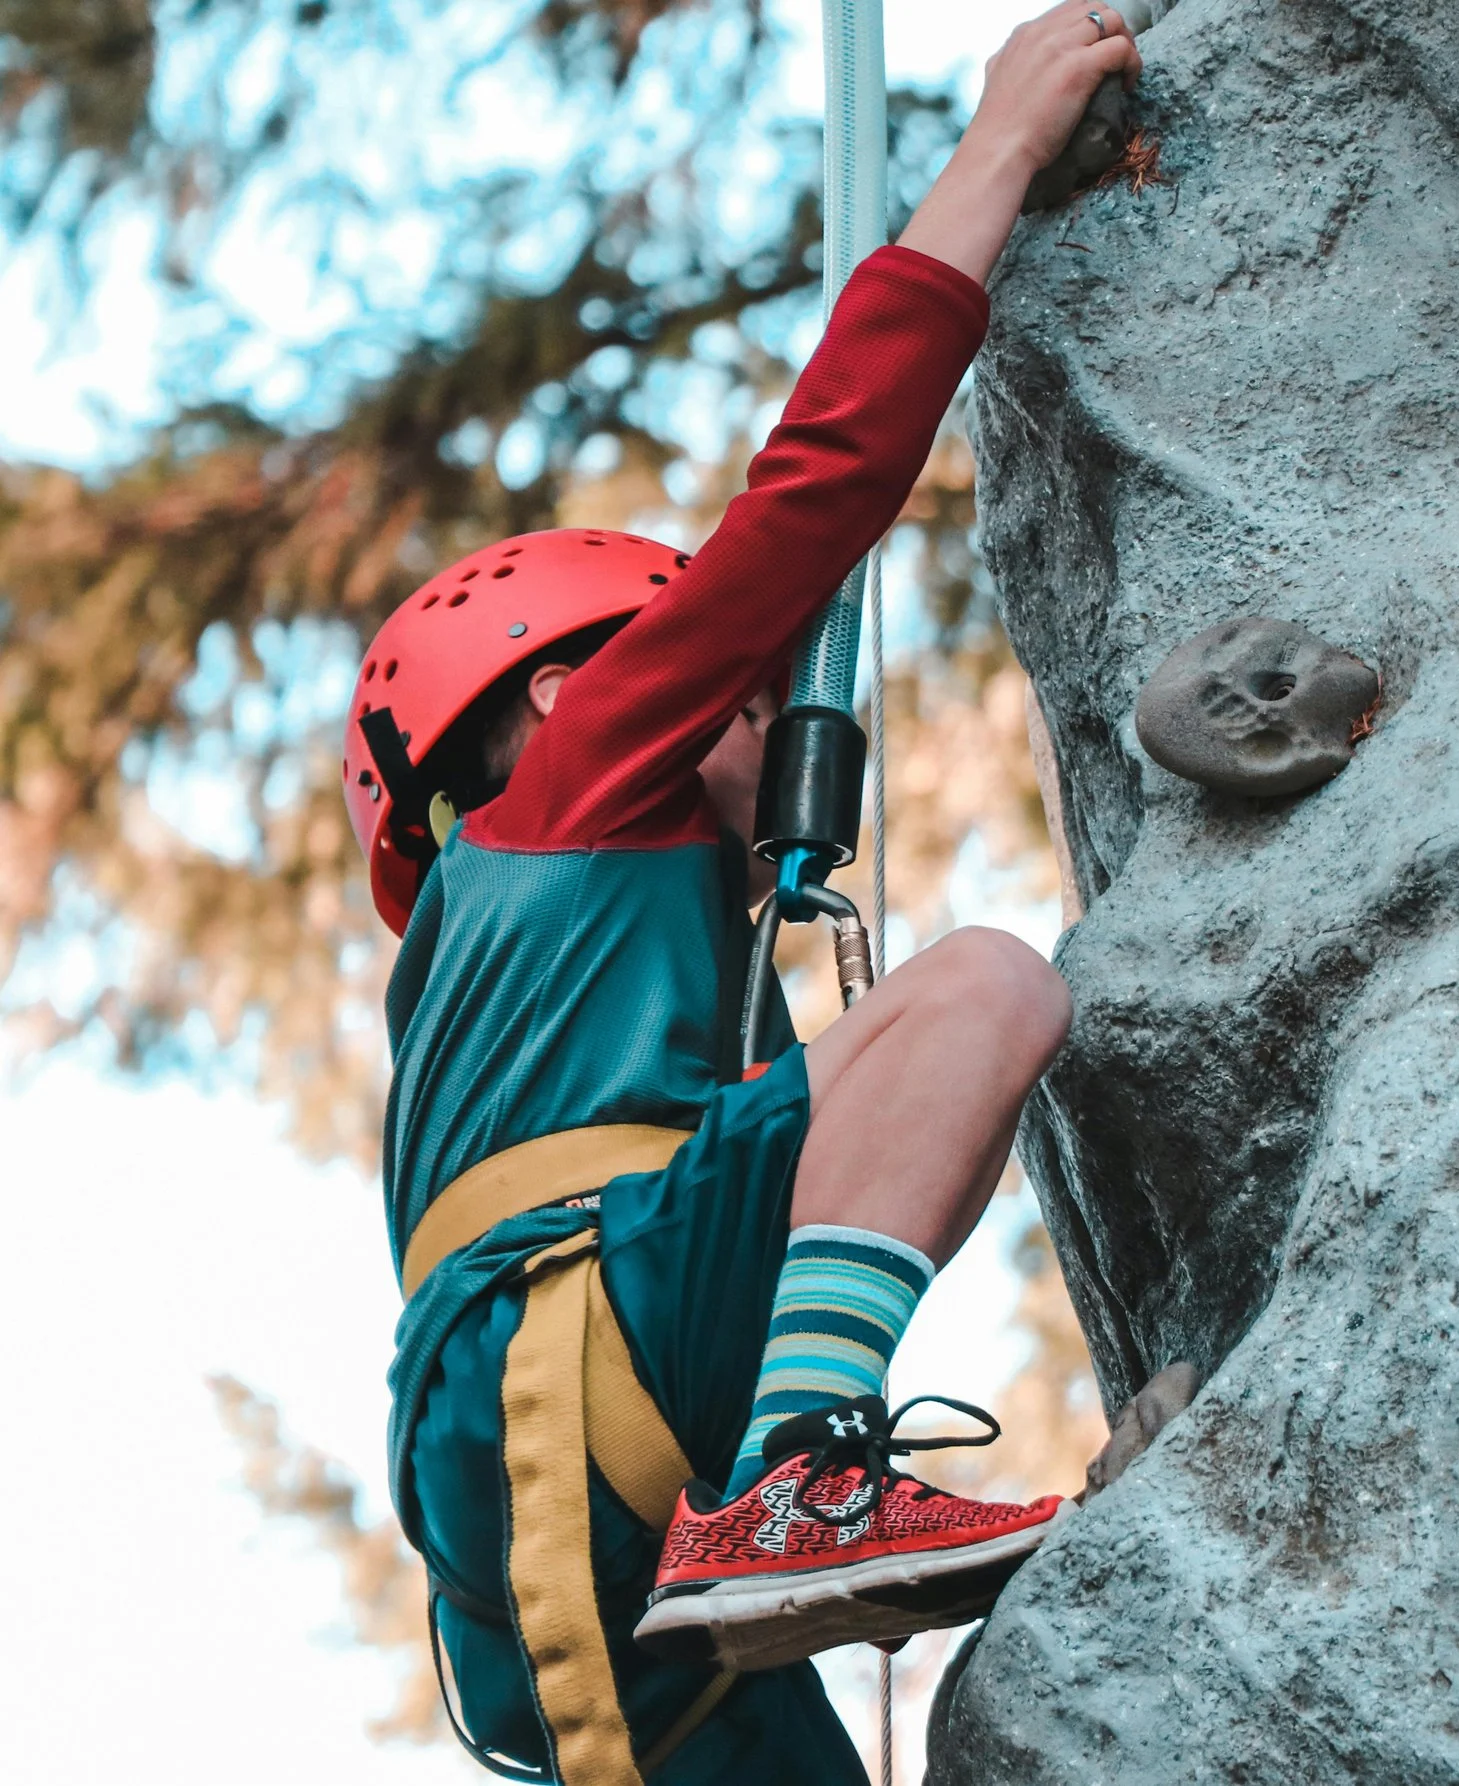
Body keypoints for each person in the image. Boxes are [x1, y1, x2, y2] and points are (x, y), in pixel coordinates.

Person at [340, 7, 1145, 1780]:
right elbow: (816, 491)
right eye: (743, 686)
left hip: (542, 1529)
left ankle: (781, 1488)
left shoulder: (541, 964)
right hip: (584, 1352)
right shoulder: (575, 778)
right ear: (563, 686)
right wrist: (998, 147)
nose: (773, 706)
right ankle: (804, 1473)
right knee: (987, 989)